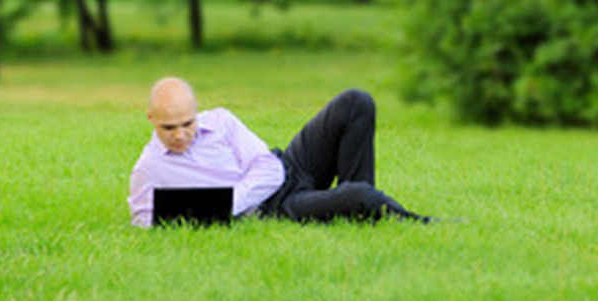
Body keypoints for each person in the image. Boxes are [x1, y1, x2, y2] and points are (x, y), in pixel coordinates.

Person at [127, 77, 428, 227]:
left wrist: (226, 204)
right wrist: (224, 207)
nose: (180, 135)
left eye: (187, 123)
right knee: (359, 196)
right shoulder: (149, 169)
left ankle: (359, 212)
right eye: (169, 128)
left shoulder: (220, 120)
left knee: (355, 102)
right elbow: (144, 220)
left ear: (197, 111)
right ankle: (405, 218)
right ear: (151, 119)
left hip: (288, 165)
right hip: (276, 208)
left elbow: (269, 168)